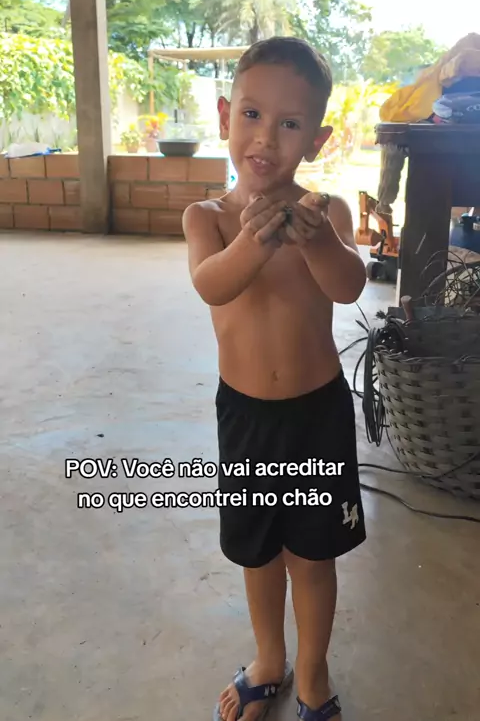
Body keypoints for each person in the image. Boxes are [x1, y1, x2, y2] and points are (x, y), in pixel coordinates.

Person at [182, 37, 367, 721]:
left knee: (313, 558)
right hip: (247, 418)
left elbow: (349, 287)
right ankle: (269, 660)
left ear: (316, 140)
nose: (265, 137)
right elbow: (212, 284)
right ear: (225, 115)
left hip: (316, 415)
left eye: (290, 123)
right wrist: (252, 241)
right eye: (252, 114)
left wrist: (317, 240)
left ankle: (312, 674)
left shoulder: (328, 214)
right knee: (258, 554)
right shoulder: (206, 219)